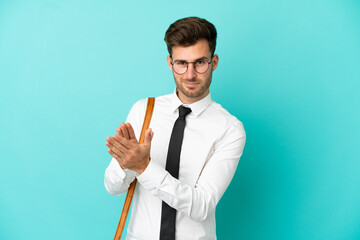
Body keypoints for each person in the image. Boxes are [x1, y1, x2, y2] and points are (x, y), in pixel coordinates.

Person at [104, 16, 246, 240]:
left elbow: (201, 206)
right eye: (181, 63)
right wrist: (126, 165)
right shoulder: (144, 110)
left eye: (200, 62)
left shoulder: (229, 129)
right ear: (170, 63)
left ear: (214, 62)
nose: (190, 75)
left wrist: (144, 167)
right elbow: (113, 187)